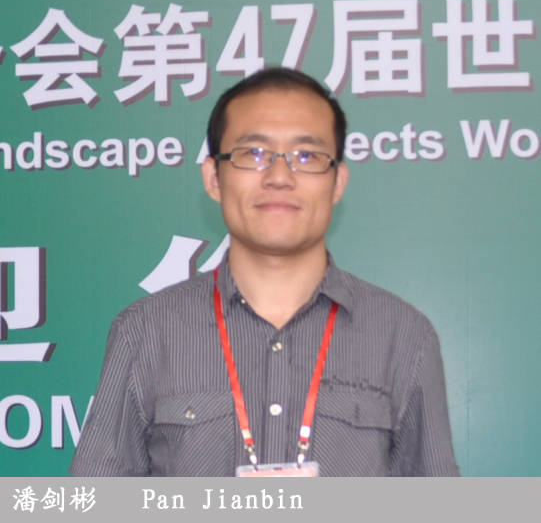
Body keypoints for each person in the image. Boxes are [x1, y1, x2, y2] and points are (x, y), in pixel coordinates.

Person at [70, 67, 459, 477]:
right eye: (253, 154)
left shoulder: (403, 336)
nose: (279, 177)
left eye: (306, 156)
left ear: (338, 182)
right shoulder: (146, 331)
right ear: (214, 177)